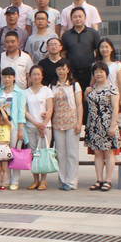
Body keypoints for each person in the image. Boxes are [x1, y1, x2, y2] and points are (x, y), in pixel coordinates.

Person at [86, 62, 121, 192]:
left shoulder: (112, 88)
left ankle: (108, 180)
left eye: (101, 72)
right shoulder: (92, 88)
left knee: (109, 152)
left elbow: (115, 108)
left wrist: (112, 125)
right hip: (94, 124)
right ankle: (99, 179)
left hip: (107, 124)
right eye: (96, 72)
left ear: (106, 73)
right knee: (97, 152)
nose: (98, 74)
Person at [51, 63, 83, 191]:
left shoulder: (74, 85)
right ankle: (63, 180)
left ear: (68, 70)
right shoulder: (52, 86)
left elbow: (79, 105)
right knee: (60, 153)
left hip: (72, 122)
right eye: (59, 69)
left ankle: (72, 181)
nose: (61, 71)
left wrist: (79, 122)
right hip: (57, 123)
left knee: (72, 153)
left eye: (63, 69)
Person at [0, 66, 27, 189]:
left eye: (9, 77)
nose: (7, 79)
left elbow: (21, 111)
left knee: (14, 153)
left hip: (13, 126)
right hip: (1, 126)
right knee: (4, 154)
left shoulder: (20, 92)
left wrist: (20, 129)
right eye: (4, 77)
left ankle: (15, 181)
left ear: (14, 78)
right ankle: (6, 179)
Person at [24, 65, 53, 190]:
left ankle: (43, 181)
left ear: (42, 76)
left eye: (38, 74)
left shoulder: (47, 91)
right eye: (33, 74)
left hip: (45, 127)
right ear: (30, 77)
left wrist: (43, 124)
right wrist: (36, 123)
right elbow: (25, 111)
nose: (36, 77)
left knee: (43, 153)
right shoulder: (26, 92)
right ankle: (35, 180)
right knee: (33, 154)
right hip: (30, 126)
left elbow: (50, 109)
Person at [61, 7, 102, 90]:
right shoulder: (66, 35)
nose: (78, 19)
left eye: (80, 16)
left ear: (85, 18)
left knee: (88, 93)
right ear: (71, 19)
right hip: (72, 72)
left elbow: (98, 51)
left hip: (89, 71)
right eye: (75, 17)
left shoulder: (93, 33)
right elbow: (63, 54)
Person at [99, 38, 121, 109]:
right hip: (99, 97)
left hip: (113, 97)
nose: (104, 49)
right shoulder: (96, 65)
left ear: (111, 49)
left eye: (106, 47)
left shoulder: (117, 65)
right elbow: (92, 83)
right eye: (102, 47)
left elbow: (120, 83)